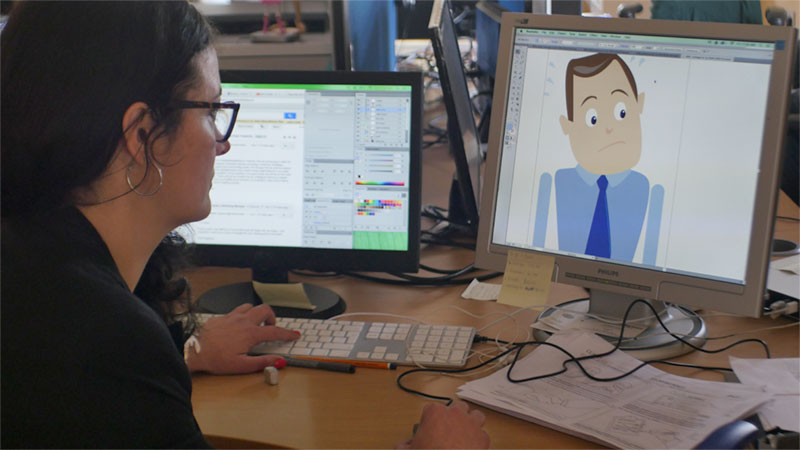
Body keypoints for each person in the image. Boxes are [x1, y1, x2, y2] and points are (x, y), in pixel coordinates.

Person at [0, 2, 490, 449]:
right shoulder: (105, 343)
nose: (223, 142)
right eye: (211, 110)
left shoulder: (32, 267)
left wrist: (188, 349)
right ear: (142, 134)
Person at [533, 53, 663, 265]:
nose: (608, 128)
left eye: (621, 112)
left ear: (639, 105)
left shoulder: (648, 190)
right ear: (568, 126)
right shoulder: (553, 184)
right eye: (592, 118)